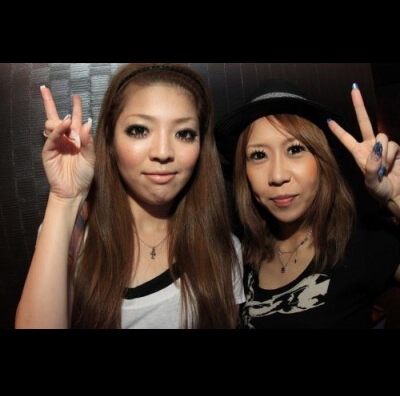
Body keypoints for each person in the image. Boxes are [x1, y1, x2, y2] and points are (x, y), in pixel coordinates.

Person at [15, 63, 245, 329]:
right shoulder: (71, 234)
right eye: (139, 130)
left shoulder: (222, 250)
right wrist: (64, 200)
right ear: (110, 140)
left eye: (184, 133)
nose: (162, 152)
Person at [215, 78, 400, 328]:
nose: (278, 175)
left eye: (295, 149)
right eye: (258, 155)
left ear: (322, 162)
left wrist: (397, 202)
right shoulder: (239, 258)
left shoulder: (363, 241)